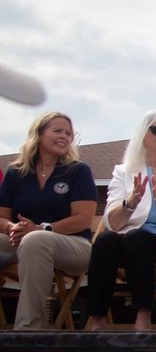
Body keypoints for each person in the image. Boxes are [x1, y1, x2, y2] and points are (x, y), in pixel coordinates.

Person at [85, 110, 156, 331]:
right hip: (124, 238)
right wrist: (130, 203)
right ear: (143, 135)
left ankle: (144, 313)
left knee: (137, 239)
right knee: (105, 240)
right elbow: (113, 222)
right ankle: (97, 317)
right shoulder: (123, 172)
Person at [0, 111, 97, 330]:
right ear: (39, 134)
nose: (64, 136)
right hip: (21, 240)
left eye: (69, 133)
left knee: (36, 240)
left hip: (74, 245)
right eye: (57, 131)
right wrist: (12, 226)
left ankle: (28, 330)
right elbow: (1, 216)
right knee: (27, 240)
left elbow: (83, 219)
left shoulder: (78, 171)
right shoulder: (16, 173)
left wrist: (42, 228)